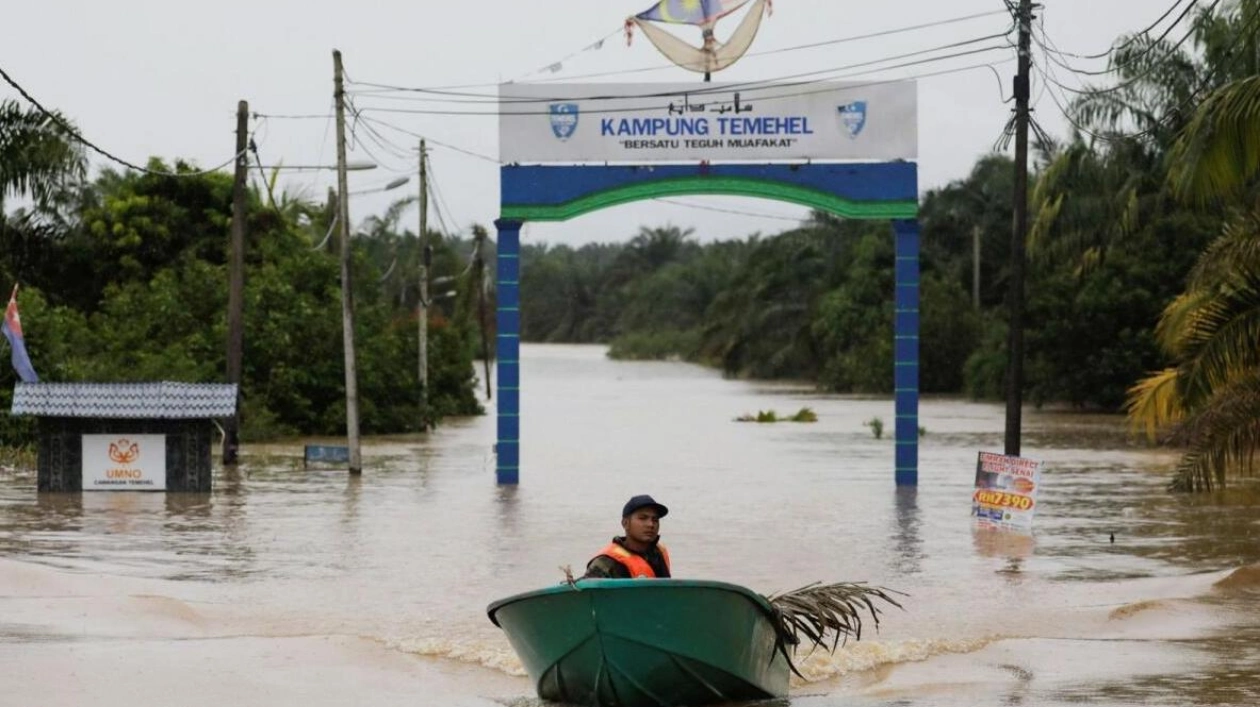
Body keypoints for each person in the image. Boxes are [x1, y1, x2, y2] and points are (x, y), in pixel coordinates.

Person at [583, 494, 672, 579]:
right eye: (643, 518)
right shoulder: (606, 562)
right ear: (625, 523)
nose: (651, 524)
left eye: (655, 519)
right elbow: (589, 592)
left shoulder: (659, 552)